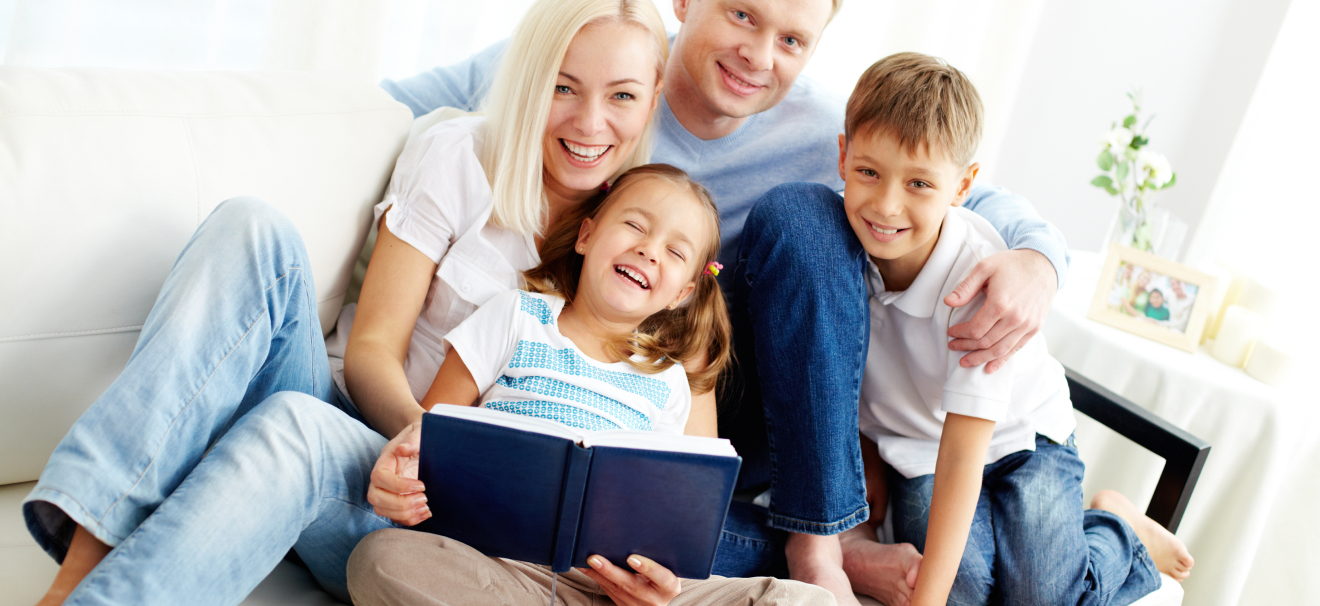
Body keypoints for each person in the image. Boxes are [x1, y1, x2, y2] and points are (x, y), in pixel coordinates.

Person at [376, 1, 1072, 604]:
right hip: (585, 371)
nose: (760, 55)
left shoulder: (832, 133)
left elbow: (957, 187)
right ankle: (778, 553)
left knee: (803, 219)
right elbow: (395, 101)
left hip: (718, 375)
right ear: (686, 2)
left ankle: (818, 544)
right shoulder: (604, 64)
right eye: (742, 14)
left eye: (792, 40)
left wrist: (1040, 260)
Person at [22, 0, 673, 604]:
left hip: (416, 519)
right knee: (252, 228)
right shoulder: (460, 155)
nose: (590, 122)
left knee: (299, 428)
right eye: (563, 86)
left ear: (653, 99)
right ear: (529, 80)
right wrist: (424, 437)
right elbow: (370, 350)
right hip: (367, 420)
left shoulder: (640, 242)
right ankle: (84, 557)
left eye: (621, 96)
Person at [348, 164, 833, 606]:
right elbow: (429, 441)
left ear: (683, 293)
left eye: (675, 251)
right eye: (635, 226)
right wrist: (402, 481)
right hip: (496, 572)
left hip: (613, 589)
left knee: (805, 601)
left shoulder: (669, 381)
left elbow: (678, 527)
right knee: (381, 558)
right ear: (586, 235)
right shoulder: (516, 316)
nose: (648, 249)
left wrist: (662, 588)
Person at [835, 52, 1194, 606]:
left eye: (920, 184)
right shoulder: (833, 254)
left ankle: (1116, 527)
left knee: (1042, 597)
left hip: (1025, 438)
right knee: (967, 590)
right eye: (869, 172)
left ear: (962, 186)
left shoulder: (973, 276)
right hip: (919, 454)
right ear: (842, 156)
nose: (886, 204)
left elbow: (964, 452)